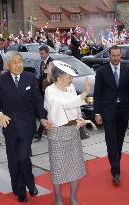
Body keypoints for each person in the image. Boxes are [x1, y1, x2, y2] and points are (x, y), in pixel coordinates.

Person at [0, 52, 50, 203]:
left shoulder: (30, 78)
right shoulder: (0, 80)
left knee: (23, 157)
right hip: (9, 126)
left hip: (27, 126)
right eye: (15, 63)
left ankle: (30, 183)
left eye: (20, 62)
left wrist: (42, 117)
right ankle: (20, 190)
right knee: (13, 160)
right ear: (8, 66)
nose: (18, 65)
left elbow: (37, 99)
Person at [44, 60, 91, 205]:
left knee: (74, 167)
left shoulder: (70, 88)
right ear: (59, 77)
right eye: (69, 77)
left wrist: (80, 119)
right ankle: (57, 197)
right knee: (58, 168)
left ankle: (73, 196)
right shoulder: (50, 91)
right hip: (57, 133)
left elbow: (75, 109)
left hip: (73, 132)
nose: (71, 80)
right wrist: (83, 94)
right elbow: (63, 105)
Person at [93, 45, 129, 185]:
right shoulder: (101, 71)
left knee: (119, 140)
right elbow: (97, 94)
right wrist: (97, 113)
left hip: (123, 111)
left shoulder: (127, 70)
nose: (116, 58)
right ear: (109, 56)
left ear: (120, 55)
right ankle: (116, 171)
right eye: (113, 56)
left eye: (118, 56)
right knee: (111, 140)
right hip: (108, 112)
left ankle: (116, 162)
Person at [33, 45, 53, 141]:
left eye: (42, 54)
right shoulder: (42, 63)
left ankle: (39, 132)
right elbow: (41, 77)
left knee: (45, 112)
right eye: (40, 54)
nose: (41, 55)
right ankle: (42, 131)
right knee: (45, 112)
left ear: (47, 53)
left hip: (50, 92)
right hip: (43, 91)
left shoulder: (51, 63)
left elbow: (53, 78)